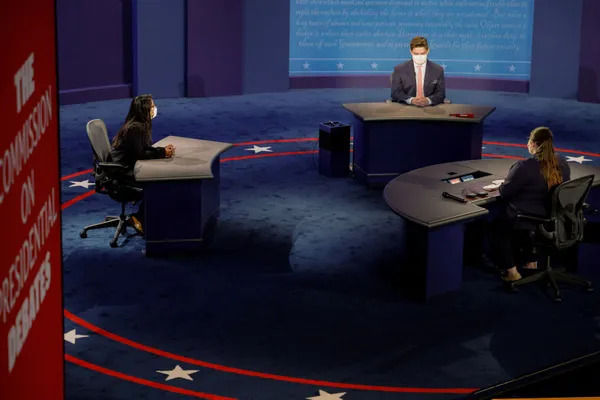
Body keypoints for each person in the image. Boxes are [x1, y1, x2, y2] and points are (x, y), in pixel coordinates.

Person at [487, 127, 570, 282]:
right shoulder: (563, 163)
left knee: (496, 229)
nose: (527, 144)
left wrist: (501, 185)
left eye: (529, 141)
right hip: (552, 218)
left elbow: (505, 192)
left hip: (528, 218)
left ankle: (512, 273)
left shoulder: (524, 166)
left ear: (533, 144)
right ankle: (531, 263)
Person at [110, 94, 175, 233]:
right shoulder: (134, 128)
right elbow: (139, 154)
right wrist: (162, 153)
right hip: (122, 172)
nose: (154, 109)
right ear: (144, 109)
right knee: (157, 184)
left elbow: (144, 149)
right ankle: (139, 217)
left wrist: (162, 151)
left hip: (130, 166)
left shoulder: (140, 125)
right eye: (152, 106)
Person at [391, 36, 446, 106]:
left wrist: (428, 100)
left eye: (422, 53)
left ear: (428, 51)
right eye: (416, 54)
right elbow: (395, 93)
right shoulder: (399, 69)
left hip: (430, 108)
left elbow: (441, 94)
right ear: (411, 52)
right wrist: (411, 100)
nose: (419, 56)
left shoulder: (438, 70)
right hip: (407, 107)